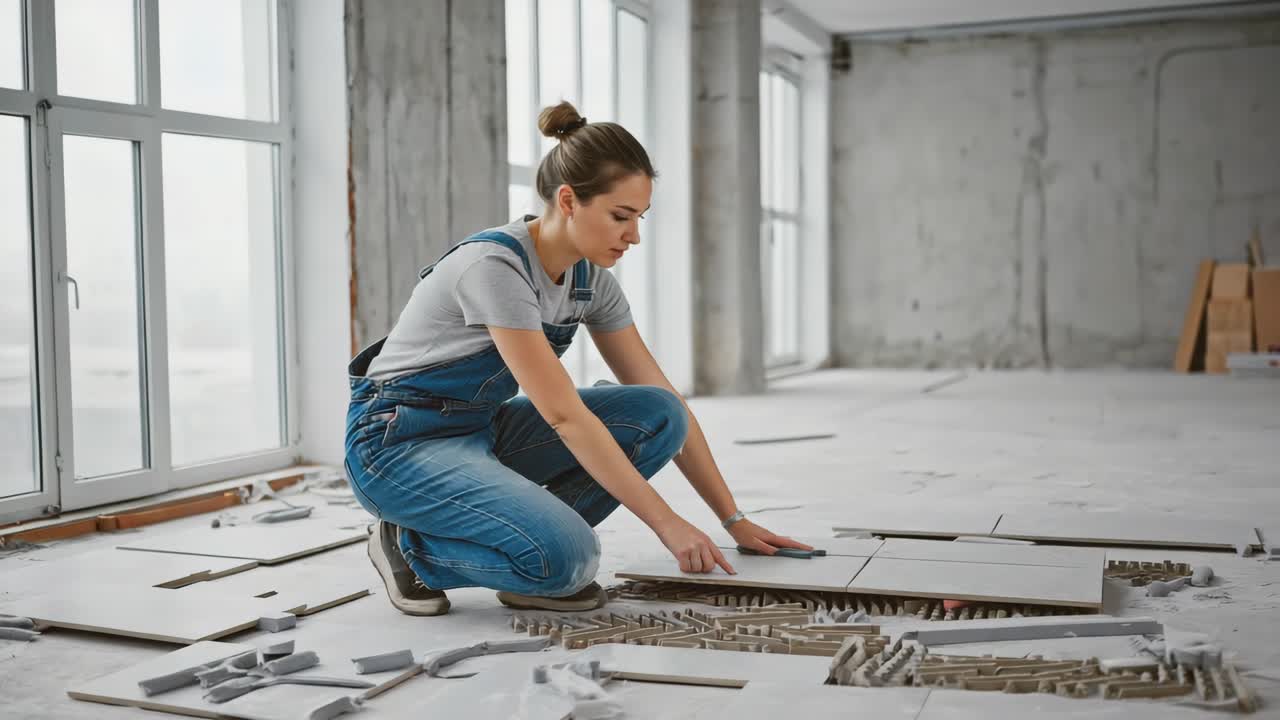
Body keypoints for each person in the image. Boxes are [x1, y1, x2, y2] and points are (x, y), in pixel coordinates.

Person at [344, 101, 810, 616]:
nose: (632, 235)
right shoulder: (494, 268)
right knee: (569, 561)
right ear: (568, 200)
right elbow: (564, 416)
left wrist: (733, 519)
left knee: (659, 415)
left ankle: (532, 554)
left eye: (639, 219)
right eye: (620, 216)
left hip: (480, 430)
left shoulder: (591, 285)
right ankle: (410, 550)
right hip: (398, 443)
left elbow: (666, 399)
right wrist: (667, 522)